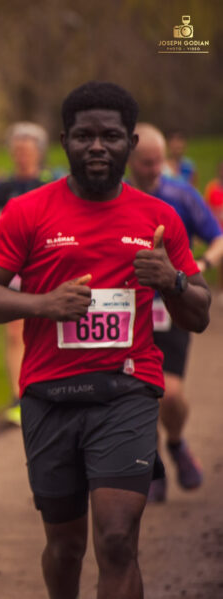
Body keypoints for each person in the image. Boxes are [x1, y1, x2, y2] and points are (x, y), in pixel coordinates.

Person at [0, 81, 211, 599]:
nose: (97, 146)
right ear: (65, 141)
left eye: (110, 136)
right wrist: (43, 305)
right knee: (66, 546)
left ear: (130, 142)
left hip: (127, 392)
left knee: (118, 541)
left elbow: (199, 315)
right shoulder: (29, 212)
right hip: (50, 397)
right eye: (84, 136)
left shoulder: (159, 218)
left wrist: (173, 279)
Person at [126, 123, 223, 502]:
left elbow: (218, 236)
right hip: (127, 308)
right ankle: (152, 465)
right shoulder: (114, 196)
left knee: (170, 392)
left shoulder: (179, 195)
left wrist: (201, 263)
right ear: (130, 161)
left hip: (171, 303)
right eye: (146, 163)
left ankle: (178, 443)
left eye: (158, 161)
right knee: (136, 391)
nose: (154, 169)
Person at [0, 122, 53, 424]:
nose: (22, 156)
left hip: (43, 266)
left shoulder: (50, 187)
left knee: (46, 326)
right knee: (14, 332)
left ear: (39, 154)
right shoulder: (2, 189)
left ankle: (47, 388)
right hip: (11, 266)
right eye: (18, 150)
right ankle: (18, 397)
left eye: (28, 151)